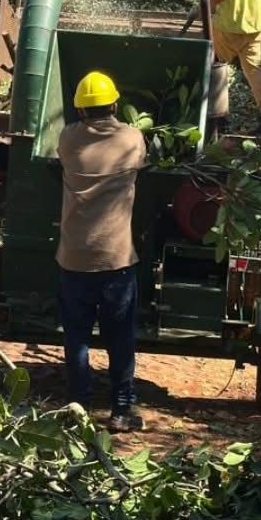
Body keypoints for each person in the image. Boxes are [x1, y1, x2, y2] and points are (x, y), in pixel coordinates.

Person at [56, 70, 147, 432]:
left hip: (74, 259)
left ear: (80, 110)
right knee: (119, 338)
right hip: (116, 260)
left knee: (76, 337)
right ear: (115, 105)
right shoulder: (132, 138)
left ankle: (79, 407)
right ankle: (121, 411)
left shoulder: (67, 139)